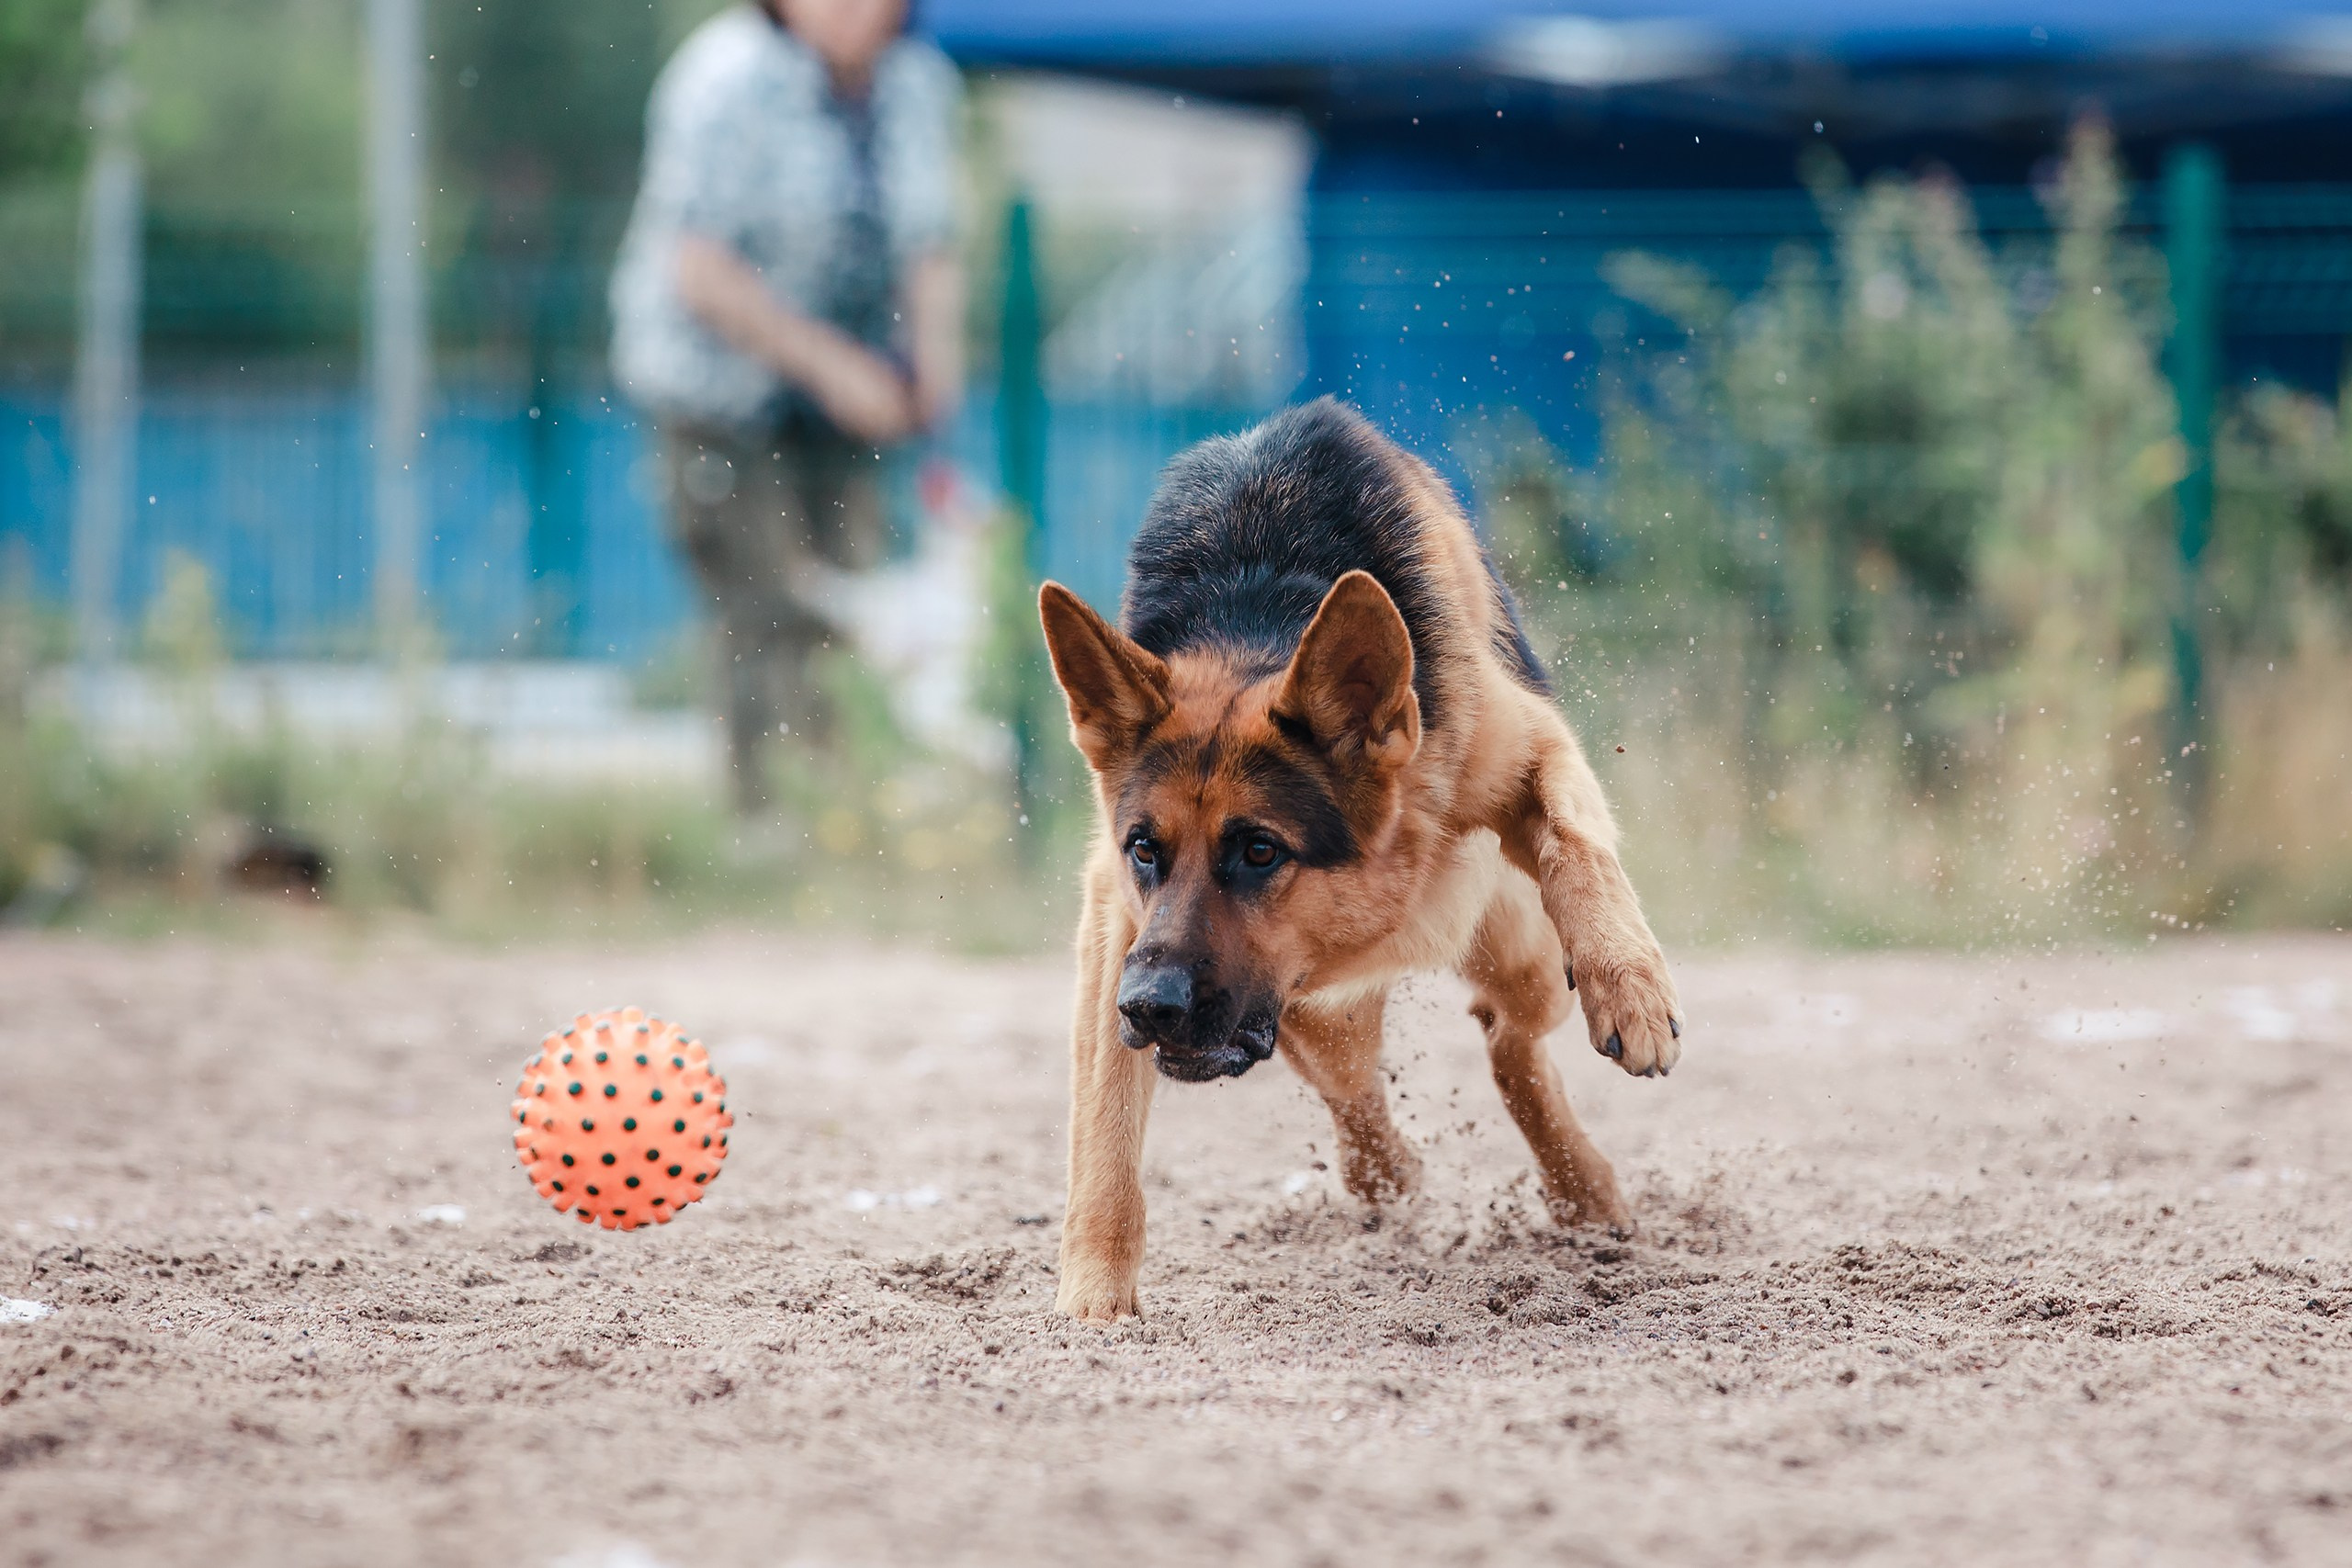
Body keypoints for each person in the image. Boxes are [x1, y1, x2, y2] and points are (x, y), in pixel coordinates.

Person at [611, 0, 963, 815]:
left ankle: (847, 818)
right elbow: (698, 270)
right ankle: (770, 827)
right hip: (721, 398)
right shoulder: (722, 80)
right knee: (768, 612)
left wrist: (934, 363)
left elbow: (930, 238)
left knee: (859, 609)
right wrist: (832, 367)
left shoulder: (916, 83)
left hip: (852, 410)